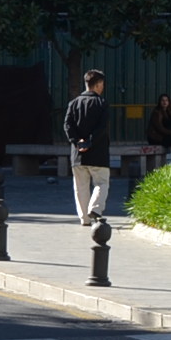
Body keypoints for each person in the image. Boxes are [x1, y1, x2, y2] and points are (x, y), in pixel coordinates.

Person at [63, 70, 112, 226]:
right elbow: (102, 128)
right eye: (102, 84)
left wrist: (77, 142)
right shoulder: (102, 104)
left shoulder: (73, 103)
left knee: (80, 187)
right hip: (98, 153)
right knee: (102, 183)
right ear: (97, 84)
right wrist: (89, 142)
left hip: (77, 154)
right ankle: (95, 208)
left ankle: (84, 219)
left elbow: (67, 125)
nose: (103, 87)